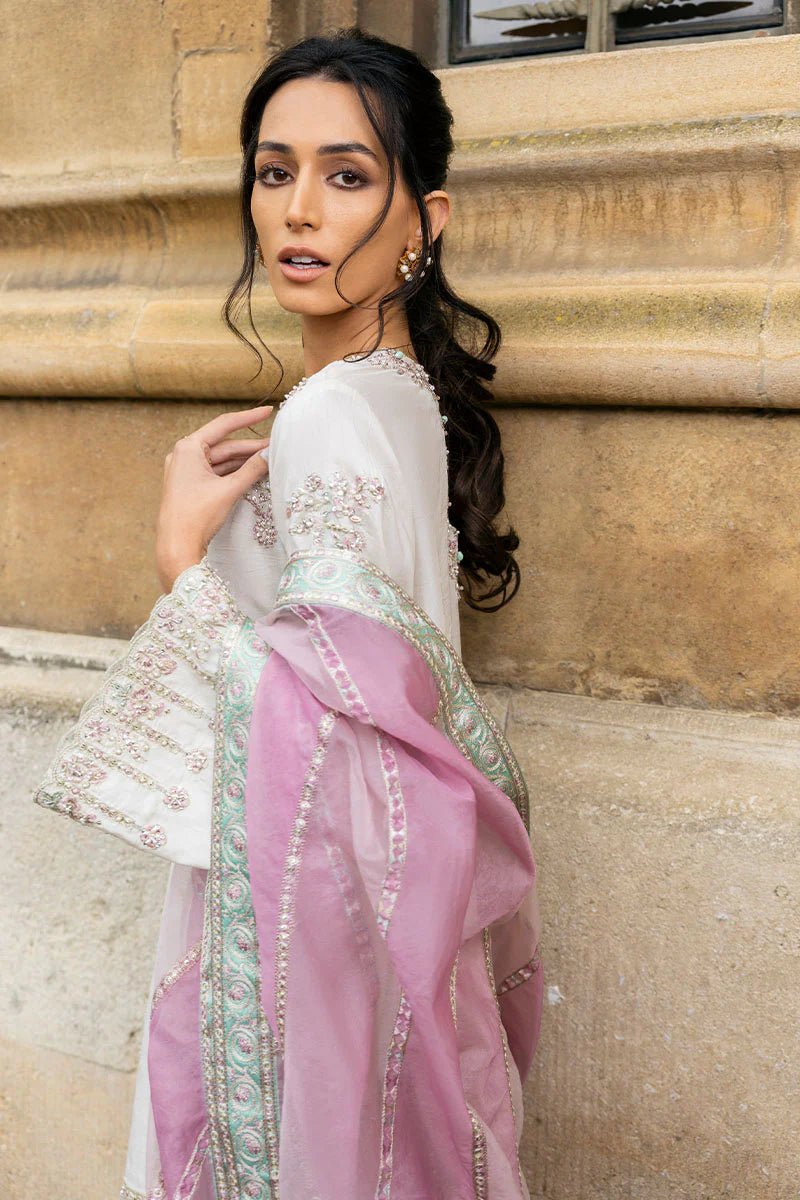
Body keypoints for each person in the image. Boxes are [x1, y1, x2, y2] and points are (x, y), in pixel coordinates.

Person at [32, 26, 543, 1200]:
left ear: (427, 219)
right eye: (274, 171)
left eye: (348, 175)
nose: (299, 210)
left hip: (310, 924)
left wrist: (179, 563)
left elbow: (338, 740)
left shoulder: (326, 421)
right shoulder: (398, 401)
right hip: (367, 911)